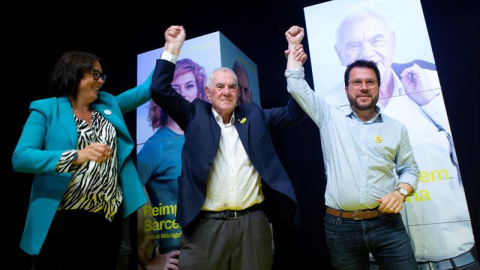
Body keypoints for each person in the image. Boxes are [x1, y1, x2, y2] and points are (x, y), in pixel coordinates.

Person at [321, 9, 478, 268]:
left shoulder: (434, 85)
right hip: (376, 259)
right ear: (339, 53)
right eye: (353, 45)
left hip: (455, 258)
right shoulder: (327, 109)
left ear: (393, 42)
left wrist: (431, 102)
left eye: (376, 40)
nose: (366, 52)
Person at [149, 25, 307, 270]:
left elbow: (295, 111)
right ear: (208, 92)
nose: (226, 92)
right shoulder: (194, 114)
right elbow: (159, 89)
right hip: (204, 227)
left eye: (232, 87)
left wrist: (294, 62)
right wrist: (172, 47)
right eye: (220, 87)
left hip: (252, 224)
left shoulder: (254, 115)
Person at [285, 26, 419, 269]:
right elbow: (296, 87)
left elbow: (410, 169)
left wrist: (401, 192)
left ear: (379, 86)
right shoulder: (329, 117)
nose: (364, 87)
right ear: (346, 89)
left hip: (387, 224)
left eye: (370, 82)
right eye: (356, 82)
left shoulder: (396, 128)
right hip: (341, 226)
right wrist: (294, 47)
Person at [11, 50, 153, 270]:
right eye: (94, 74)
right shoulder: (46, 109)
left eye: (102, 76)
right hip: (64, 222)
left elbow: (145, 90)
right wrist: (77, 155)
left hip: (107, 221)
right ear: (73, 73)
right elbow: (21, 157)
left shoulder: (108, 106)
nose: (100, 81)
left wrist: (171, 50)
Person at [136, 57, 208, 270]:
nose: (184, 93)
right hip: (178, 255)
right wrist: (147, 262)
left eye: (189, 85)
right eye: (175, 88)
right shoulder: (155, 146)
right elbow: (123, 203)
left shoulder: (205, 137)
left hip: (211, 247)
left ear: (199, 90)